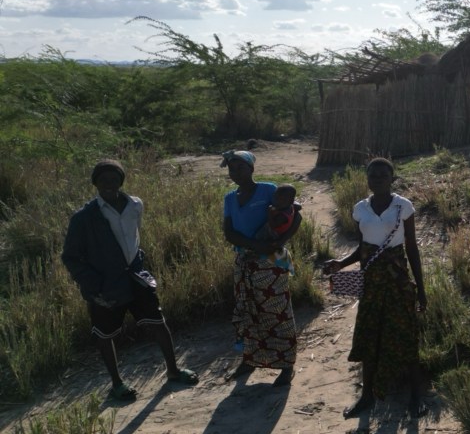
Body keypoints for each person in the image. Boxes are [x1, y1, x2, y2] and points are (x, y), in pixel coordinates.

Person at [62, 160, 199, 401]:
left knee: (158, 322)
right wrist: (93, 285)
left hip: (136, 277)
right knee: (105, 335)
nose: (109, 184)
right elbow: (71, 257)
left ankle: (174, 371)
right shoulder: (84, 217)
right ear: (95, 183)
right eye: (103, 180)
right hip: (105, 286)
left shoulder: (135, 205)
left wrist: (138, 261)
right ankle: (116, 384)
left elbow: (134, 239)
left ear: (121, 181)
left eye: (114, 179)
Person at [322, 158, 428, 419]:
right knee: (369, 335)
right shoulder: (360, 209)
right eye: (373, 175)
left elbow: (412, 249)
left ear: (392, 179)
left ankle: (416, 396)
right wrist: (341, 263)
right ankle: (367, 396)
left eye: (383, 175)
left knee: (406, 335)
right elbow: (363, 249)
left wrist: (421, 290)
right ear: (367, 179)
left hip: (398, 280)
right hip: (371, 284)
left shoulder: (403, 206)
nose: (377, 179)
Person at [222, 150, 301, 387]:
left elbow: (295, 216)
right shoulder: (229, 198)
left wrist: (280, 241)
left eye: (240, 168)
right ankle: (250, 360)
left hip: (270, 263)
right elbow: (229, 232)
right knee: (249, 312)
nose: (236, 173)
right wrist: (255, 245)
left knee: (278, 313)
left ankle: (286, 365)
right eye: (231, 169)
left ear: (252, 168)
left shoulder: (268, 190)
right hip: (245, 262)